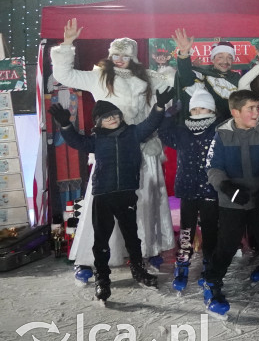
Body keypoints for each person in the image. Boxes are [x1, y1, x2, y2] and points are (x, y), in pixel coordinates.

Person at [50, 19, 176, 282]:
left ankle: (146, 250)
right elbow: (65, 75)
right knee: (102, 206)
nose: (119, 60)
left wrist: (175, 64)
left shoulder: (148, 78)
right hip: (110, 150)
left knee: (144, 201)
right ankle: (89, 259)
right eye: (115, 55)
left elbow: (169, 91)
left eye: (125, 56)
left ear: (134, 58)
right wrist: (67, 44)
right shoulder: (99, 76)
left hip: (143, 146)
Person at [49, 87, 173, 301]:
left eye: (115, 115)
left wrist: (159, 106)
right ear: (98, 122)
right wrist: (66, 125)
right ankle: (102, 279)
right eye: (107, 117)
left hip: (126, 193)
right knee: (101, 240)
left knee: (132, 237)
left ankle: (138, 270)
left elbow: (151, 124)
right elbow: (76, 141)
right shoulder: (96, 140)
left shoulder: (133, 133)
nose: (113, 119)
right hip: (103, 195)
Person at [203, 89, 259, 316]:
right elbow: (213, 168)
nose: (256, 112)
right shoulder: (221, 135)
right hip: (232, 200)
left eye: (257, 108)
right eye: (250, 109)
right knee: (227, 244)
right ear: (235, 112)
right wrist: (226, 188)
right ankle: (212, 281)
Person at [157, 88, 221, 292]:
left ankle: (209, 265)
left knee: (211, 230)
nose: (199, 112)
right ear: (190, 112)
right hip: (187, 188)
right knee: (186, 230)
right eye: (195, 109)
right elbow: (164, 133)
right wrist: (168, 115)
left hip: (211, 189)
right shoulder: (181, 131)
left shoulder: (218, 130)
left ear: (212, 111)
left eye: (204, 108)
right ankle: (182, 264)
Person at [172, 30, 259, 120]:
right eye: (220, 57)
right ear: (212, 59)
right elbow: (185, 78)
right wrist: (184, 54)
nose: (225, 61)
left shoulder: (237, 78)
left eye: (229, 58)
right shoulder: (204, 76)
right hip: (209, 128)